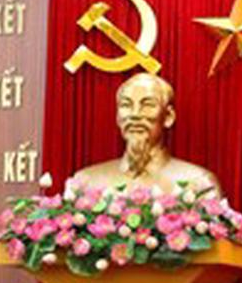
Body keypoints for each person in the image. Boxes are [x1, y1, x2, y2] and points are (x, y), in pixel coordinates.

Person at [73, 72, 222, 196]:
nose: (135, 114)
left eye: (148, 105)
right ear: (118, 117)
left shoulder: (199, 183)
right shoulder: (87, 181)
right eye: (126, 105)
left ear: (168, 117)